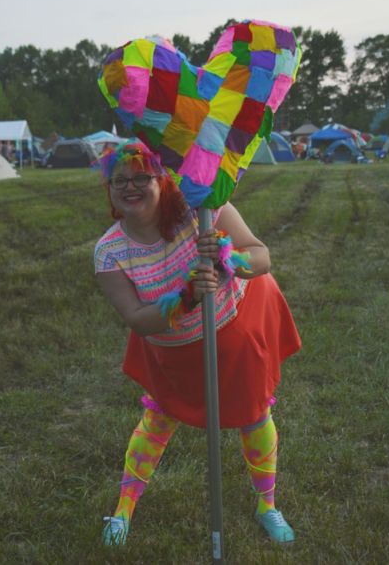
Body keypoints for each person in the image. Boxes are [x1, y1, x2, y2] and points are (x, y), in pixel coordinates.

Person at [94, 140, 301, 547]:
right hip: (172, 349)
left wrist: (229, 259)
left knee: (254, 414)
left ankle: (268, 506)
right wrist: (187, 297)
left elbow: (261, 256)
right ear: (110, 190)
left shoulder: (201, 211)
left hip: (235, 328)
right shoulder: (108, 251)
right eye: (120, 181)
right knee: (158, 420)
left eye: (141, 177)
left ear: (162, 180)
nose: (130, 187)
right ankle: (122, 510)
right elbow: (137, 320)